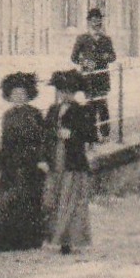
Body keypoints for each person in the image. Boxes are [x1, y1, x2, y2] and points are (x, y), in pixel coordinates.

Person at [0, 71, 48, 252]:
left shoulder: (35, 114)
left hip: (30, 160)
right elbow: (5, 141)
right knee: (6, 199)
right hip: (11, 162)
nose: (18, 98)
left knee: (28, 199)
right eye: (14, 95)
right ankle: (6, 240)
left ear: (28, 95)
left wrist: (41, 159)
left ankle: (27, 240)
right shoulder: (8, 116)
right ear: (9, 96)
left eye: (22, 94)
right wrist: (2, 161)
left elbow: (42, 139)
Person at [44, 69, 97, 254]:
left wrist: (73, 134)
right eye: (61, 90)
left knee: (71, 200)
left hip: (72, 160)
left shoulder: (82, 111)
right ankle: (57, 238)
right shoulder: (53, 110)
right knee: (56, 198)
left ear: (74, 92)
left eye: (68, 91)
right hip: (56, 158)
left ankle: (71, 240)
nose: (64, 94)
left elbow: (91, 135)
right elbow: (45, 132)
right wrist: (54, 135)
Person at [71, 9, 117, 140]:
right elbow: (73, 57)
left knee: (102, 106)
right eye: (93, 20)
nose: (96, 22)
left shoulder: (106, 39)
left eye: (98, 20)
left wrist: (107, 56)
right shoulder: (82, 39)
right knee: (90, 107)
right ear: (89, 22)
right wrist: (84, 62)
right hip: (88, 78)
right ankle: (92, 135)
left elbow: (113, 57)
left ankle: (105, 134)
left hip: (102, 78)